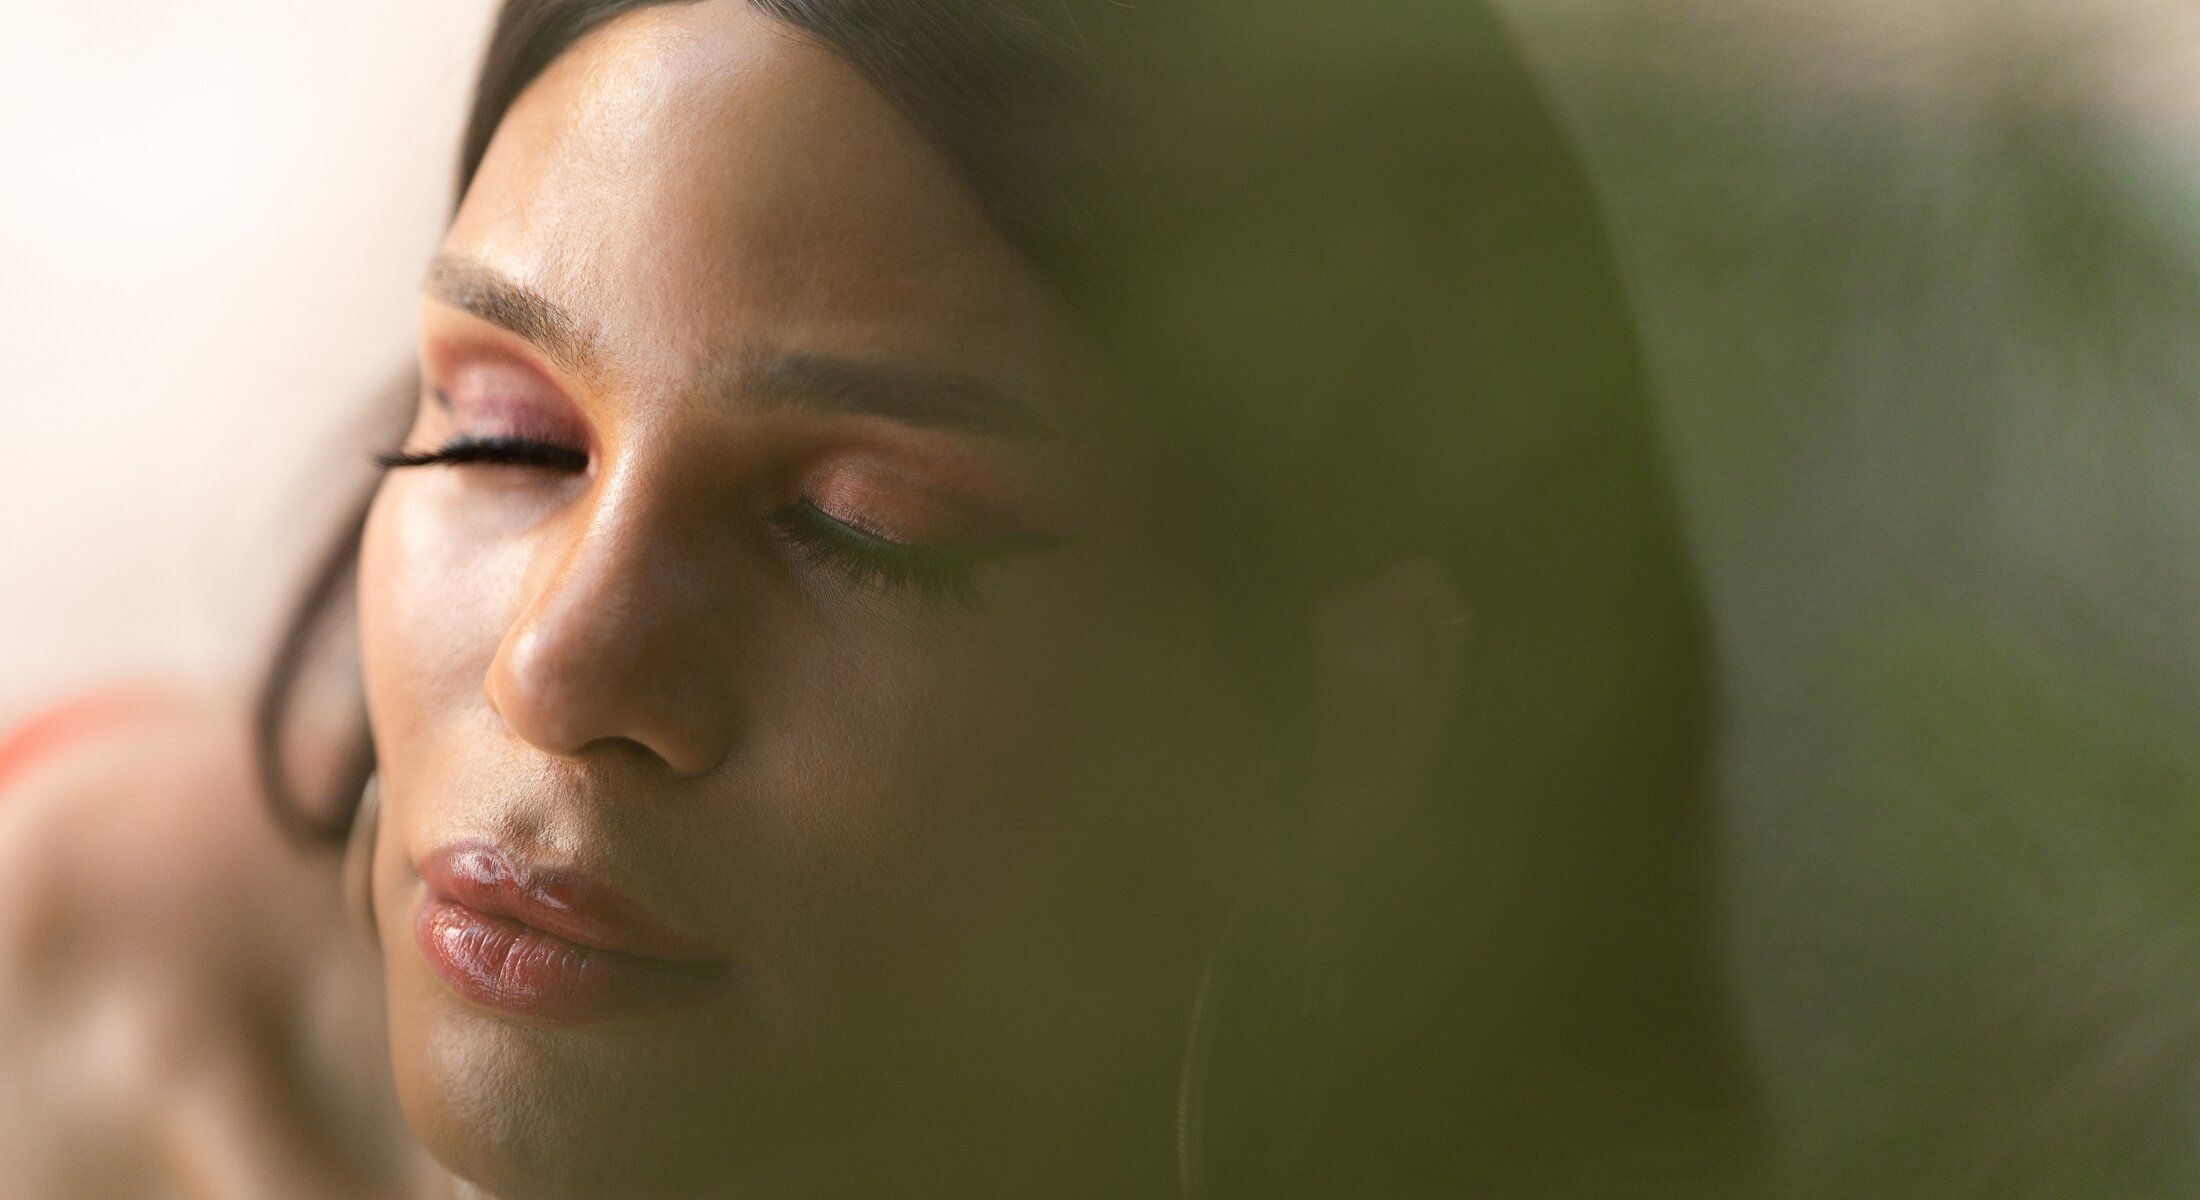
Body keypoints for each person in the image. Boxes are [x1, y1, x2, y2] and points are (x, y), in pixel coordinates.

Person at [0, 0, 1758, 1195]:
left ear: (1342, 728)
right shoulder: (65, 951)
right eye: (511, 442)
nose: (564, 661)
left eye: (863, 529)